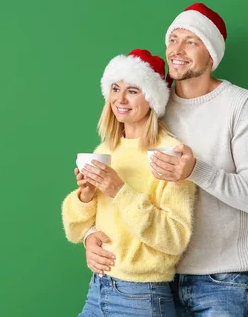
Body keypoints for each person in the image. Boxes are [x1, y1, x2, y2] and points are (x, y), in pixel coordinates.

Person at [83, 3, 248, 316]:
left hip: (222, 282)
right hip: (154, 282)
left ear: (211, 54)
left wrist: (196, 170)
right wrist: (91, 237)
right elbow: (120, 171)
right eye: (173, 39)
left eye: (191, 41)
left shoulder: (241, 106)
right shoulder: (153, 103)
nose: (176, 50)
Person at [62, 49, 197, 317]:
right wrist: (86, 198)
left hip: (141, 298)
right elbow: (75, 230)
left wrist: (119, 190)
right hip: (98, 289)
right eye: (115, 88)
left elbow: (174, 238)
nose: (120, 99)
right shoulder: (106, 148)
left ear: (152, 98)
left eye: (133, 90)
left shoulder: (171, 154)